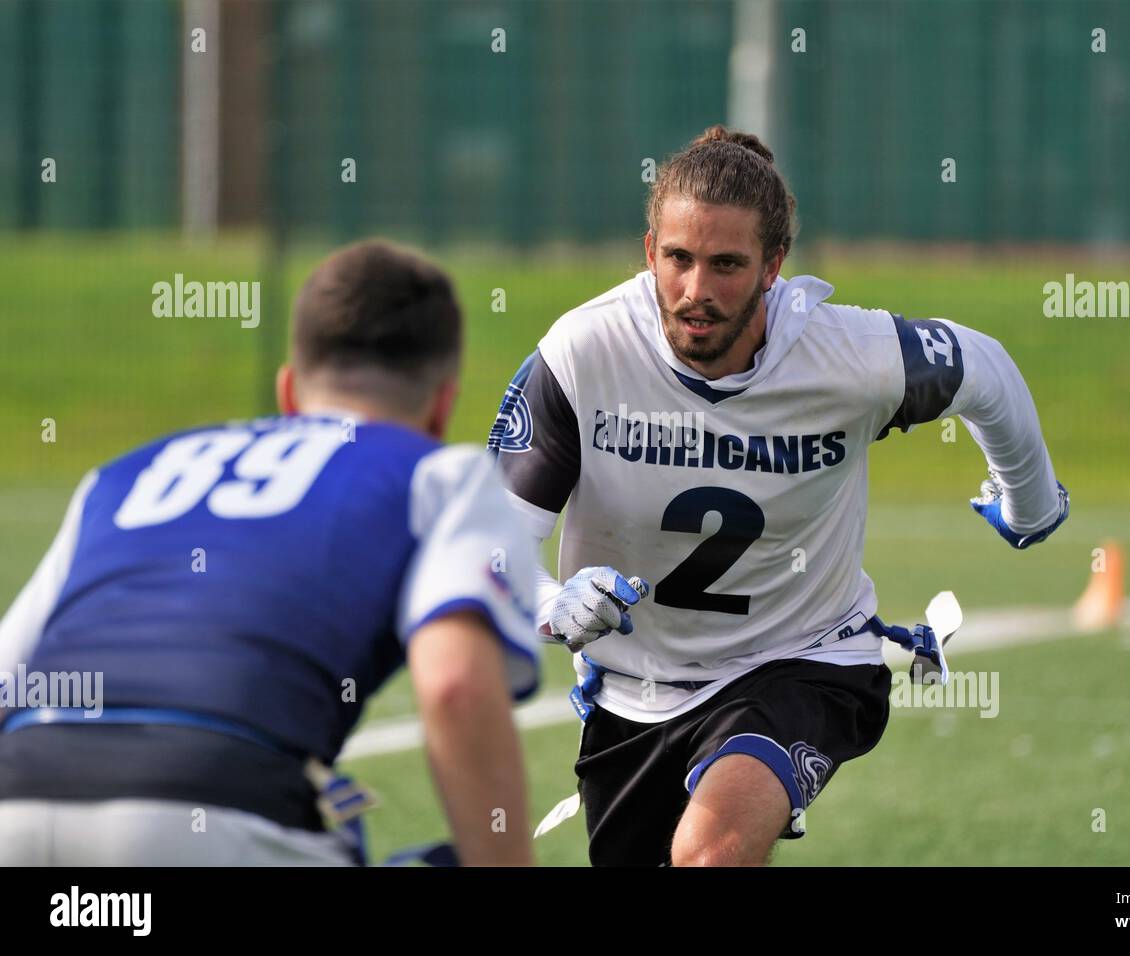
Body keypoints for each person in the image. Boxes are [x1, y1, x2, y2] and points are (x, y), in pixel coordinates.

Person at [488, 126, 1069, 866]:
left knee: (709, 852)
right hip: (635, 691)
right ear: (648, 252)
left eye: (727, 264)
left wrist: (1031, 504)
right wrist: (545, 600)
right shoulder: (583, 353)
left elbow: (983, 370)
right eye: (679, 259)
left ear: (773, 268)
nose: (696, 291)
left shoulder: (846, 357)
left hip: (802, 659)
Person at [0, 239, 539, 866]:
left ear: (288, 393)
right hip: (216, 810)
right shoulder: (442, 474)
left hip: (17, 803)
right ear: (442, 406)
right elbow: (454, 686)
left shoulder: (118, 478)